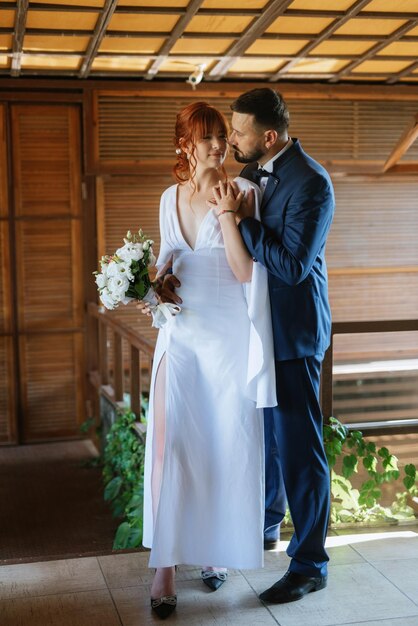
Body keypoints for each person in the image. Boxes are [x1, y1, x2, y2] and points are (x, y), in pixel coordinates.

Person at [141, 101, 276, 619]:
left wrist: (227, 213)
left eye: (221, 136)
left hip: (228, 340)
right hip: (182, 340)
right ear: (185, 145)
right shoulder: (168, 198)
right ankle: (166, 566)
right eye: (205, 138)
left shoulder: (246, 193)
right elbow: (164, 265)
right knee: (174, 449)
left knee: (225, 446)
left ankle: (217, 551)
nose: (217, 145)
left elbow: (246, 274)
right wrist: (148, 285)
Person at [229, 87, 335, 604]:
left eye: (239, 132)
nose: (232, 140)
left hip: (293, 333)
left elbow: (293, 267)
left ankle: (310, 563)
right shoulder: (251, 175)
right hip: (256, 330)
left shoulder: (312, 183)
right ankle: (268, 524)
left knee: (299, 449)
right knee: (267, 440)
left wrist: (243, 222)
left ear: (268, 136)